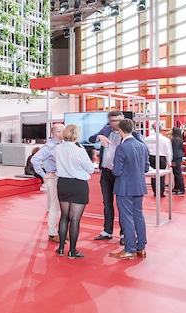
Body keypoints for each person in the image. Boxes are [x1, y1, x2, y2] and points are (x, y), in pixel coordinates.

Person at [109, 119, 149, 260]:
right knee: (138, 216)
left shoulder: (122, 147)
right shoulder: (142, 146)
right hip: (139, 186)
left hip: (124, 188)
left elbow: (117, 171)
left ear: (120, 130)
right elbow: (146, 168)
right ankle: (141, 248)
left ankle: (130, 249)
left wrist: (112, 168)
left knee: (126, 218)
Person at [52, 125, 94, 257]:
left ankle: (60, 248)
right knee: (75, 219)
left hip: (63, 184)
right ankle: (72, 251)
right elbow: (90, 169)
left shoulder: (57, 148)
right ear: (76, 136)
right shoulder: (79, 151)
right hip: (78, 184)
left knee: (64, 216)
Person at [88, 110, 127, 243]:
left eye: (119, 120)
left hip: (121, 173)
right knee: (107, 203)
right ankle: (107, 231)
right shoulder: (106, 130)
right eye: (113, 121)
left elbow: (139, 144)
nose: (116, 123)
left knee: (122, 204)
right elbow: (91, 139)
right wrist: (99, 137)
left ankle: (124, 234)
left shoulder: (129, 132)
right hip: (105, 172)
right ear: (109, 122)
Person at [31, 123, 65, 243]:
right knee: (55, 206)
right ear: (53, 133)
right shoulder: (49, 146)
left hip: (64, 177)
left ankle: (62, 231)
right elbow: (34, 159)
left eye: (63, 131)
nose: (62, 133)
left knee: (64, 206)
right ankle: (52, 233)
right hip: (53, 178)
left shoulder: (64, 144)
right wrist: (44, 175)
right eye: (59, 131)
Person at [145, 123, 173, 197]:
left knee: (153, 174)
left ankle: (155, 191)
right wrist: (169, 162)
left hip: (151, 157)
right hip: (161, 158)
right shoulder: (165, 140)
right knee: (162, 175)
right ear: (161, 130)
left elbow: (145, 149)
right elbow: (168, 151)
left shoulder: (147, 138)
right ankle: (161, 191)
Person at [170, 127, 186, 195]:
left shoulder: (175, 140)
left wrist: (173, 160)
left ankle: (181, 189)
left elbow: (174, 150)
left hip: (176, 158)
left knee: (177, 174)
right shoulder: (179, 139)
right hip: (178, 157)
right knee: (177, 173)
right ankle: (177, 187)